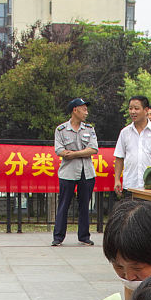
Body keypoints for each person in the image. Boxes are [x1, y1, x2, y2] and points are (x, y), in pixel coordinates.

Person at [52, 97, 98, 247]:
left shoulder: (89, 129)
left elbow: (93, 149)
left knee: (85, 204)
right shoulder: (61, 129)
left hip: (87, 172)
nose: (86, 112)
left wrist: (73, 154)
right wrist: (77, 153)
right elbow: (59, 150)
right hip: (68, 173)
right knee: (64, 204)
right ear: (75, 110)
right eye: (83, 109)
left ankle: (84, 236)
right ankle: (58, 237)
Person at [114, 95, 151, 195]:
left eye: (136, 108)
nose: (133, 112)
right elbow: (119, 158)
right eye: (130, 108)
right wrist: (117, 180)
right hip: (130, 185)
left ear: (146, 110)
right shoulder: (125, 132)